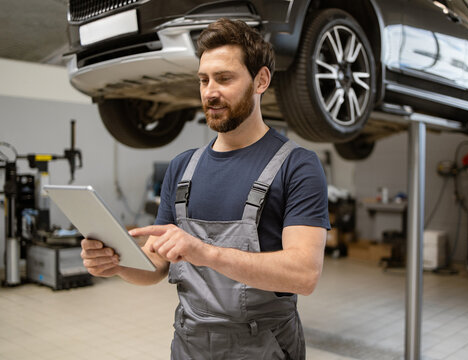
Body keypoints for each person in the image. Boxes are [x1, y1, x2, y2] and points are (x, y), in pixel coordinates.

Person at [80, 18, 330, 359]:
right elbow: (156, 264)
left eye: (224, 79)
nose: (210, 92)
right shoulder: (183, 168)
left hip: (264, 347)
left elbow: (304, 274)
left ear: (261, 80)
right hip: (189, 344)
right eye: (203, 80)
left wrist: (205, 253)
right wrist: (117, 264)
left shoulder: (297, 165)